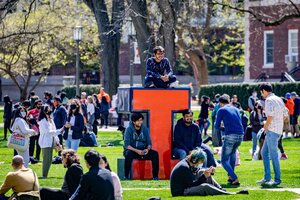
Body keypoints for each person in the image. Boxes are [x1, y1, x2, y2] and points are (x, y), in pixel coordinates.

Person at [170, 148, 248, 197]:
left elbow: (196, 173)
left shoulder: (187, 163)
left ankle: (221, 190)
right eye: (200, 162)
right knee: (205, 186)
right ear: (195, 160)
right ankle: (230, 194)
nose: (199, 164)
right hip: (181, 192)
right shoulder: (184, 167)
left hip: (185, 186)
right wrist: (204, 176)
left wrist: (207, 172)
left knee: (202, 171)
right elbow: (191, 184)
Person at [256, 82, 287, 186]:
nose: (261, 95)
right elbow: (285, 114)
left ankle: (277, 179)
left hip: (271, 131)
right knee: (264, 153)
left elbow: (270, 116)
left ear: (264, 91)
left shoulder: (268, 100)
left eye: (261, 92)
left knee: (273, 155)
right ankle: (267, 177)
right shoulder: (279, 99)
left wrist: (266, 126)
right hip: (278, 130)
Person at [214, 94, 244, 185]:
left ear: (220, 103)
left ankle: (234, 177)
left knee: (223, 160)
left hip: (230, 135)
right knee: (232, 154)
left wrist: (221, 125)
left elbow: (216, 126)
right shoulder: (235, 109)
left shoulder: (221, 110)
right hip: (240, 135)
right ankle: (231, 177)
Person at [123, 112, 159, 180]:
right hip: (132, 150)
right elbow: (127, 145)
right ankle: (126, 176)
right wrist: (137, 151)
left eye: (141, 120)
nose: (140, 122)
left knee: (155, 154)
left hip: (143, 150)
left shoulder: (145, 129)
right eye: (138, 120)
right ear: (134, 122)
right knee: (128, 154)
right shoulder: (128, 129)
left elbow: (149, 143)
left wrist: (147, 150)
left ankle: (155, 177)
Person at [38, 105, 64, 178]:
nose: (49, 110)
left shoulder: (51, 120)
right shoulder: (42, 121)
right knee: (46, 159)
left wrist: (57, 141)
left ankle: (46, 174)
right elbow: (48, 132)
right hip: (45, 141)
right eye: (48, 109)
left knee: (49, 159)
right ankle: (44, 175)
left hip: (52, 140)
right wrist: (60, 130)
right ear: (44, 111)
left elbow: (53, 130)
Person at [27, 99, 42, 163]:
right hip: (33, 131)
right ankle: (30, 157)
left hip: (41, 131)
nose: (40, 105)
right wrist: (30, 120)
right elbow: (27, 119)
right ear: (36, 105)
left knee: (39, 145)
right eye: (39, 104)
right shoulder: (31, 111)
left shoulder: (43, 112)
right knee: (32, 145)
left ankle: (37, 158)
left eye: (41, 104)